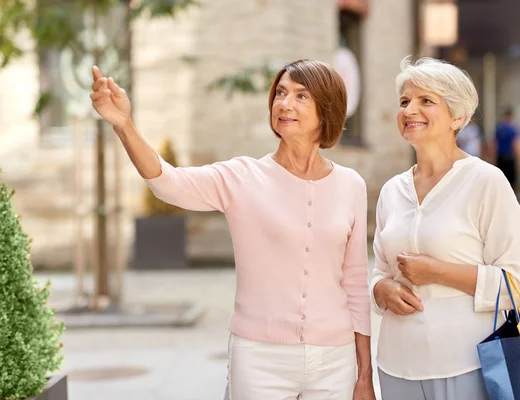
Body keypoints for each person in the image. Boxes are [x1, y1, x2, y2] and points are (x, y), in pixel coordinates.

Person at [90, 60, 375, 400]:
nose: (284, 103)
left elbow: (356, 284)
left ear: (327, 110)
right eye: (280, 93)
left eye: (301, 96)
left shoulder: (351, 185)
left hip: (335, 359)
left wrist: (364, 375)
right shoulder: (242, 177)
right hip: (259, 358)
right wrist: (124, 125)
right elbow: (168, 183)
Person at [370, 57, 520, 400]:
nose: (409, 109)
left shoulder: (486, 181)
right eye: (404, 101)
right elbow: (379, 271)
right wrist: (380, 289)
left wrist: (438, 272)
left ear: (457, 117)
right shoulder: (391, 191)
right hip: (395, 366)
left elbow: (519, 284)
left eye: (425, 101)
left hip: (467, 365)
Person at [492, 106, 520, 191]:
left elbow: (494, 145)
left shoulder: (499, 128)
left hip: (500, 158)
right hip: (510, 158)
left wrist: (493, 160)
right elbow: (516, 145)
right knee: (511, 182)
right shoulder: (513, 129)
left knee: (501, 181)